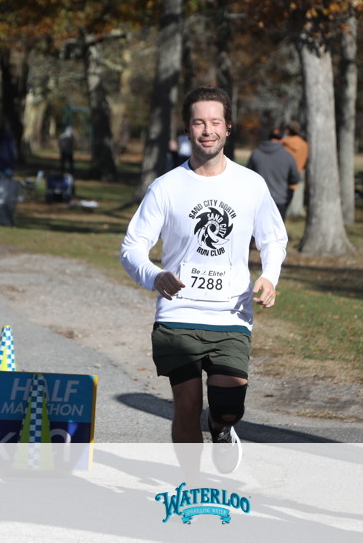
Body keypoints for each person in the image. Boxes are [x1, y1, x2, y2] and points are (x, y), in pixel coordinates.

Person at [120, 86, 287, 476]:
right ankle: (191, 483)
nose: (207, 130)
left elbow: (273, 239)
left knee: (228, 407)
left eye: (215, 122)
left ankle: (222, 427)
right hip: (178, 315)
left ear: (228, 127)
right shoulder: (166, 187)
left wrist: (269, 277)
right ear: (187, 128)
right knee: (187, 405)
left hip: (231, 315)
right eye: (199, 122)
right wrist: (154, 275)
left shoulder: (250, 184)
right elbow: (132, 247)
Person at [246, 128, 300, 219]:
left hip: (258, 202)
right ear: (282, 139)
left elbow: (247, 176)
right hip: (279, 202)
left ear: (269, 137)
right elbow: (294, 179)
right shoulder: (288, 156)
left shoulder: (256, 153)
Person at [281, 121, 308, 216]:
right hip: (296, 178)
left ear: (288, 131)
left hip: (282, 178)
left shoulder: (283, 143)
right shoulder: (304, 145)